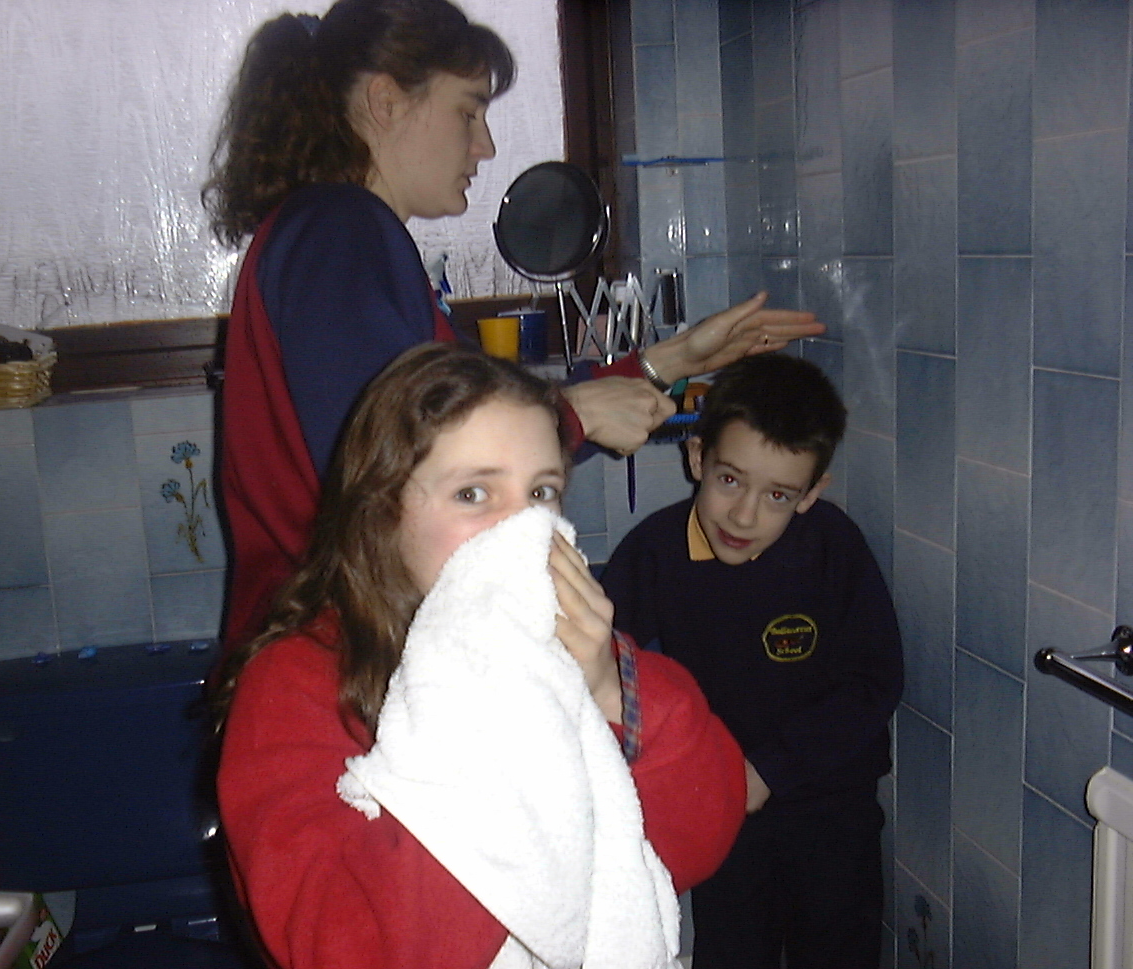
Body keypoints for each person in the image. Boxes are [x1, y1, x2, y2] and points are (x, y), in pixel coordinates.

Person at [201, 0, 825, 652]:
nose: (486, 145)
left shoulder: (334, 233)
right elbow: (396, 461)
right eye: (468, 112)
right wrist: (577, 413)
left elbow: (449, 424)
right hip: (336, 659)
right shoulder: (341, 231)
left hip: (345, 645)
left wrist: (667, 362)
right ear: (385, 101)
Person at [215, 344, 747, 969]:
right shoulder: (295, 686)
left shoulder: (573, 655)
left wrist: (606, 690)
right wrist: (517, 727)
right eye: (474, 494)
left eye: (541, 493)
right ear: (382, 513)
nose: (522, 529)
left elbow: (696, 839)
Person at [601, 353, 904, 969]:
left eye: (778, 496)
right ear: (697, 458)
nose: (744, 515)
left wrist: (769, 769)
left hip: (833, 814)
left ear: (811, 493)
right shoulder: (652, 556)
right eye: (730, 480)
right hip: (723, 819)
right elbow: (609, 675)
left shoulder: (832, 548)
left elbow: (875, 680)